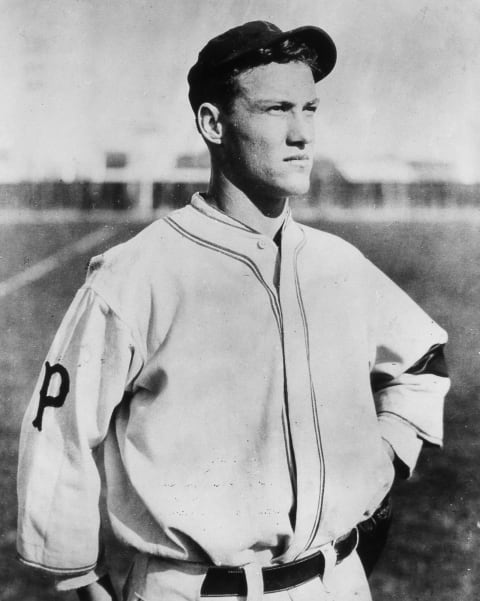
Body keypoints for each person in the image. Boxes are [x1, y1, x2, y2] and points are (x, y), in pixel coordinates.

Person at [17, 21, 450, 601]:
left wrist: (385, 458)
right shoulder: (137, 273)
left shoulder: (338, 264)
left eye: (310, 109)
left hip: (338, 581)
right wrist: (75, 579)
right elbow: (58, 431)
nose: (302, 134)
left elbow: (423, 359)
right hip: (195, 589)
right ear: (213, 124)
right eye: (275, 109)